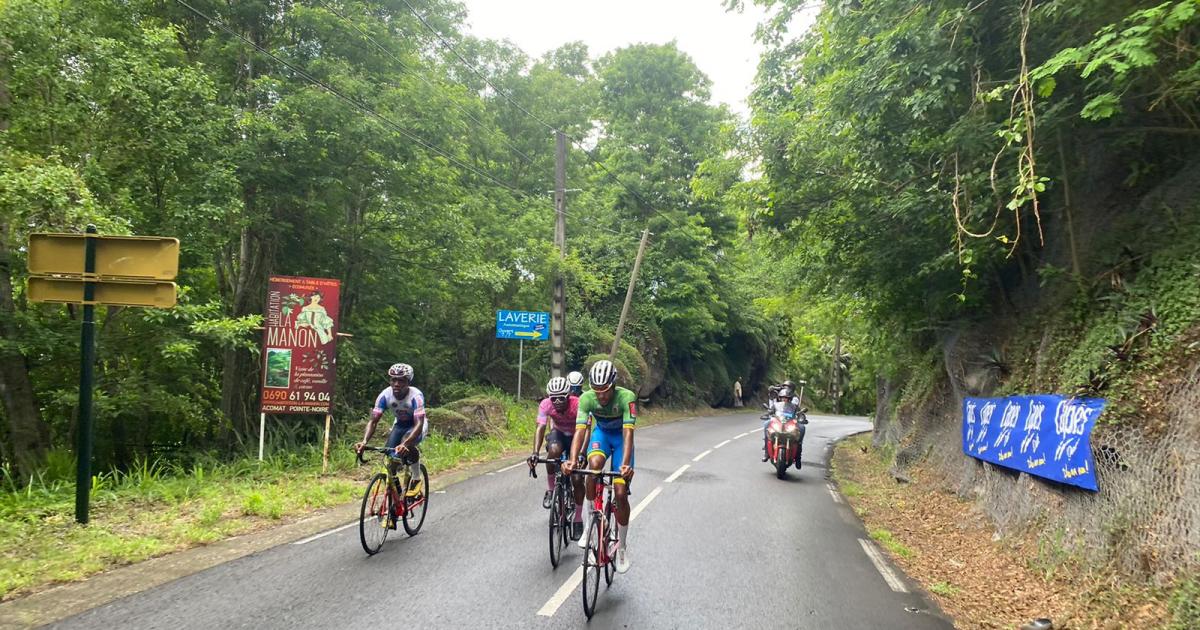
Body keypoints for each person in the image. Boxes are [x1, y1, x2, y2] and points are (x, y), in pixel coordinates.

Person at [562, 360, 636, 574]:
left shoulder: (626, 397)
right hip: (601, 435)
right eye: (597, 391)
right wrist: (573, 460)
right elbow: (580, 431)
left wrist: (624, 465)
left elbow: (628, 433)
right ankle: (590, 524)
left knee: (621, 492)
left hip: (621, 439)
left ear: (613, 385)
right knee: (592, 467)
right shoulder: (586, 398)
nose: (601, 396)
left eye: (605, 391)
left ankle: (621, 546)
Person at [355, 363, 428, 499]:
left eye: (401, 380)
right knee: (391, 457)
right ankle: (397, 497)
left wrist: (405, 444)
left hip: (416, 426)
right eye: (393, 380)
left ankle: (416, 478)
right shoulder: (385, 395)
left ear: (408, 382)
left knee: (406, 442)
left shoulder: (416, 396)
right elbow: (373, 421)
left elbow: (419, 423)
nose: (396, 384)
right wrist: (364, 441)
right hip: (399, 425)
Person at [528, 376, 587, 540]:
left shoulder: (578, 404)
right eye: (554, 398)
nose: (558, 401)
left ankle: (578, 519)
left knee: (576, 478)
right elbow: (540, 427)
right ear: (549, 398)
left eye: (562, 397)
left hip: (577, 435)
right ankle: (551, 489)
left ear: (569, 395)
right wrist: (535, 452)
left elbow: (586, 430)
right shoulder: (545, 405)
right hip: (559, 434)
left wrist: (582, 454)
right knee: (552, 452)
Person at [761, 384, 806, 468]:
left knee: (802, 428)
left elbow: (800, 414)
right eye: (783, 398)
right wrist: (768, 413)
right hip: (778, 422)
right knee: (766, 424)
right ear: (780, 397)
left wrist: (802, 418)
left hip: (790, 423)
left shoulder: (794, 405)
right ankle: (767, 453)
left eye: (787, 398)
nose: (785, 399)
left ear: (790, 398)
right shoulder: (777, 404)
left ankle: (798, 458)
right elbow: (771, 411)